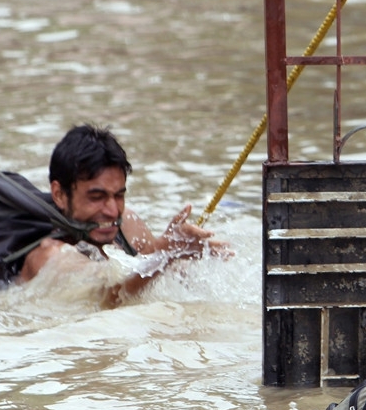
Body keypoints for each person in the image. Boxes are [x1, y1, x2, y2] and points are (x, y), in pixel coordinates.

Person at [19, 124, 228, 304]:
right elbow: (106, 294)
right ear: (59, 195)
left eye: (118, 195)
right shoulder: (47, 257)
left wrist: (194, 257)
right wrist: (165, 250)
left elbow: (161, 277)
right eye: (96, 197)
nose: (112, 210)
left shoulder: (127, 223)